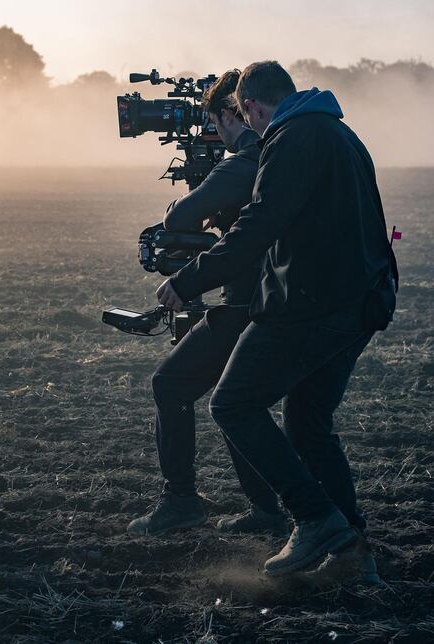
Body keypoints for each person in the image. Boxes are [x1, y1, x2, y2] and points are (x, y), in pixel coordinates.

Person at [158, 61, 397, 576]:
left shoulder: (289, 140)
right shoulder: (339, 132)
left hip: (309, 305)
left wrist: (188, 280)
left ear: (251, 108)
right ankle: (352, 550)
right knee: (308, 424)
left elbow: (257, 227)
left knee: (232, 404)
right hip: (360, 303)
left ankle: (314, 520)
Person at [127, 70, 287, 538]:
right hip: (275, 298)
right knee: (234, 400)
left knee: (170, 385)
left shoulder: (245, 160)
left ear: (229, 115)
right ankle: (266, 509)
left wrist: (206, 190)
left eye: (215, 122)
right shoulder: (278, 152)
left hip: (245, 304)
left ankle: (181, 502)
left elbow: (180, 217)